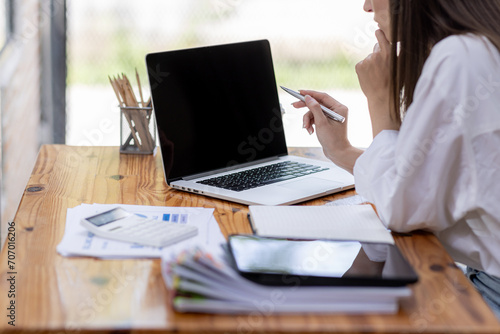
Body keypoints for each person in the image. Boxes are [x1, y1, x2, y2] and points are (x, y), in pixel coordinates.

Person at [293, 0, 500, 319]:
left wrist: (381, 101)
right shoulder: (480, 46)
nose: (365, 6)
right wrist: (342, 151)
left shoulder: (461, 58)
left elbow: (403, 209)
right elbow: (433, 177)